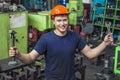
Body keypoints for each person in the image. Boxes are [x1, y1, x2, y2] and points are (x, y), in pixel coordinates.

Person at [9, 5, 113, 80]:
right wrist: (19, 55)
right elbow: (30, 58)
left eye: (64, 20)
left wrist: (104, 43)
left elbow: (90, 54)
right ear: (53, 21)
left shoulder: (75, 37)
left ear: (68, 20)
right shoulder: (46, 39)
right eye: (59, 20)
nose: (62, 24)